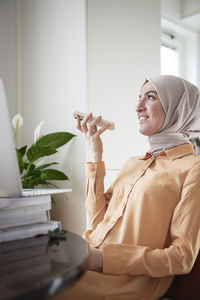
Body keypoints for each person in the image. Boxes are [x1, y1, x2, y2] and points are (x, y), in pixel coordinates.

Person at [59, 75, 200, 300]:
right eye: (139, 98)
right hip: (89, 258)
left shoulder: (193, 168)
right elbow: (98, 223)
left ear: (178, 108)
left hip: (128, 282)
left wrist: (100, 259)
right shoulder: (135, 162)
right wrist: (95, 152)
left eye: (150, 97)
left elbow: (182, 257)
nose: (138, 107)